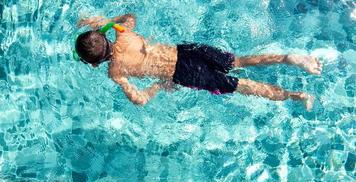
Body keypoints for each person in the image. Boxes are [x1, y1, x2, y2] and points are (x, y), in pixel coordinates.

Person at [75, 14, 322, 111]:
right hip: (189, 51)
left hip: (184, 73)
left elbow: (139, 99)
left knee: (242, 85)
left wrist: (160, 85)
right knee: (239, 60)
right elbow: (129, 17)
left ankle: (296, 95)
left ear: (95, 64)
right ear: (106, 35)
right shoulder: (123, 33)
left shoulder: (115, 71)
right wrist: (103, 24)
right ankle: (287, 58)